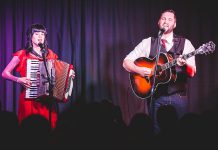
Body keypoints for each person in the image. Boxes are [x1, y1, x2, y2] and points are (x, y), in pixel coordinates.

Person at [122, 9, 196, 134]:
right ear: (158, 22)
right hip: (155, 98)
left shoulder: (185, 43)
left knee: (181, 134)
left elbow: (192, 72)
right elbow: (126, 62)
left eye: (170, 19)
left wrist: (184, 65)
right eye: (163, 18)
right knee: (156, 134)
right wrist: (139, 70)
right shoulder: (148, 43)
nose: (166, 21)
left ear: (175, 24)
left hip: (178, 97)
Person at [2, 23, 60, 129]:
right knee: (29, 129)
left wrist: (69, 76)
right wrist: (18, 79)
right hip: (29, 99)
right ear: (30, 36)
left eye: (42, 34)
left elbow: (58, 72)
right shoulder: (22, 54)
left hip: (47, 101)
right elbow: (5, 73)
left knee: (49, 129)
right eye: (37, 33)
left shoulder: (51, 54)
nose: (40, 36)